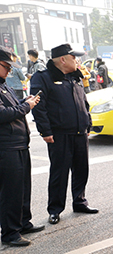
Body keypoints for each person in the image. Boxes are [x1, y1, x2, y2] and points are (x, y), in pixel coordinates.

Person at [30, 43, 99, 225]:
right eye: (73, 57)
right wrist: (45, 130)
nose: (77, 61)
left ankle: (80, 201)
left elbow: (83, 102)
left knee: (81, 169)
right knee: (59, 173)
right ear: (63, 59)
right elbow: (39, 106)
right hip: (59, 134)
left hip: (80, 132)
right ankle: (55, 209)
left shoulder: (75, 77)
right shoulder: (43, 78)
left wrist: (88, 122)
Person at [0, 46, 44, 247]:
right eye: (6, 66)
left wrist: (23, 101)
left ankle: (23, 223)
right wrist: (27, 106)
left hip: (18, 143)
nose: (10, 71)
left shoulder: (4, 84)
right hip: (7, 146)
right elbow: (4, 114)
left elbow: (11, 106)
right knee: (11, 190)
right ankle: (10, 232)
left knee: (23, 187)